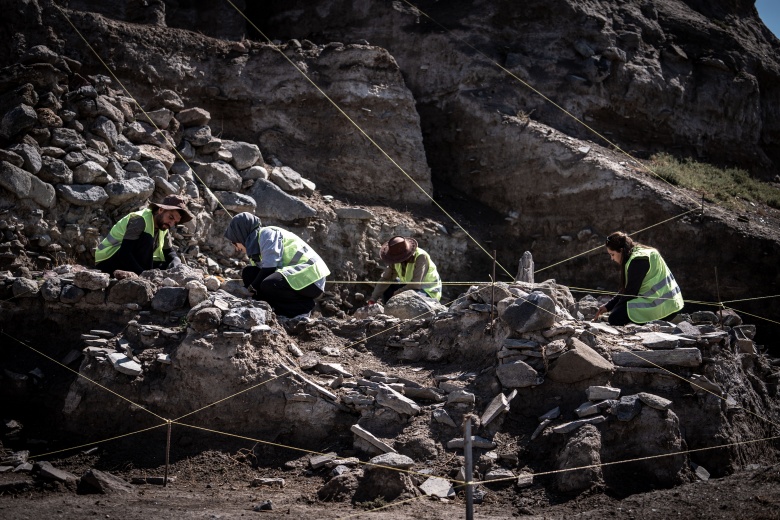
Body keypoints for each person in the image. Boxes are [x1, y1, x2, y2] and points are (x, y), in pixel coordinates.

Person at [224, 212, 330, 319]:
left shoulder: (266, 234)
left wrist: (250, 289)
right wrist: (252, 287)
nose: (236, 248)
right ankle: (277, 311)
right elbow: (261, 273)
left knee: (270, 284)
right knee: (249, 273)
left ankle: (302, 309)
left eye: (234, 242)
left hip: (311, 277)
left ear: (241, 234)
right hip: (296, 277)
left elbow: (270, 267)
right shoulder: (254, 251)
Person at [594, 231, 684, 326]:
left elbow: (630, 292)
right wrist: (609, 306)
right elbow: (627, 289)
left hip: (663, 307)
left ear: (621, 250)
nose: (612, 258)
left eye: (612, 254)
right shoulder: (641, 252)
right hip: (673, 303)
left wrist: (615, 311)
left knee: (615, 318)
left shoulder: (638, 261)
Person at [95, 194, 194, 276]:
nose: (171, 224)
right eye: (171, 217)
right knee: (147, 239)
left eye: (175, 222)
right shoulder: (140, 220)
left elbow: (169, 252)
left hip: (132, 262)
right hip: (107, 260)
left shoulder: (163, 226)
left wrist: (175, 261)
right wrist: (143, 275)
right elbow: (124, 254)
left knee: (168, 266)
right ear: (160, 210)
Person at [368, 236, 442, 305]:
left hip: (427, 291)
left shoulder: (421, 257)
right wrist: (373, 298)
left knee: (410, 299)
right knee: (391, 285)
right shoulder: (394, 260)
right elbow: (385, 279)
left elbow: (416, 284)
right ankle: (388, 310)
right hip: (410, 286)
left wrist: (397, 293)